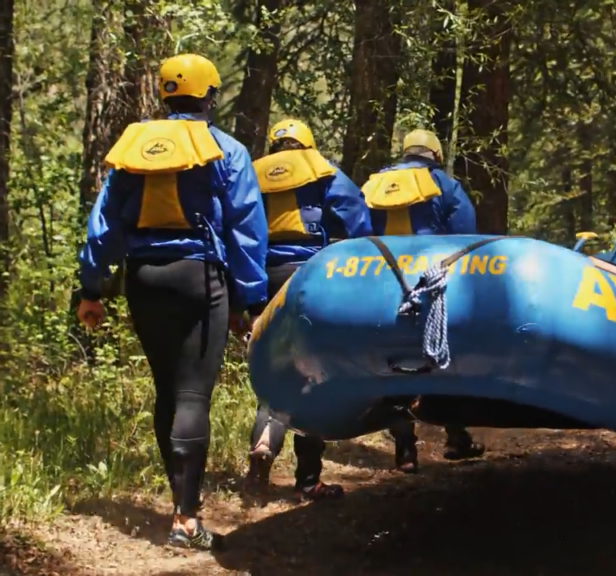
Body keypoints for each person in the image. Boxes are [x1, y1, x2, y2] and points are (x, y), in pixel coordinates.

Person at [76, 53, 268, 551]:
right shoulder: (226, 149)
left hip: (143, 279)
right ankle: (186, 519)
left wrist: (91, 288)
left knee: (167, 390)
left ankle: (179, 505)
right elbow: (246, 230)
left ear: (165, 94)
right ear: (209, 95)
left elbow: (104, 223)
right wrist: (251, 301)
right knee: (191, 395)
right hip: (199, 278)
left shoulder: (137, 149)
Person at [243, 118, 374, 501]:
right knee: (313, 373)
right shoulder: (324, 170)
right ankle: (308, 480)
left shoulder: (254, 175)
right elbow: (359, 223)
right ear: (308, 145)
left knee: (274, 367)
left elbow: (238, 226)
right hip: (312, 280)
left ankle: (263, 443)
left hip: (266, 279)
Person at [361, 128, 483, 473]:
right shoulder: (444, 184)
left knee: (395, 362)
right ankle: (456, 436)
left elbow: (359, 227)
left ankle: (405, 451)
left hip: (381, 280)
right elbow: (465, 230)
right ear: (435, 155)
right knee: (443, 356)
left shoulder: (375, 184)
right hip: (429, 281)